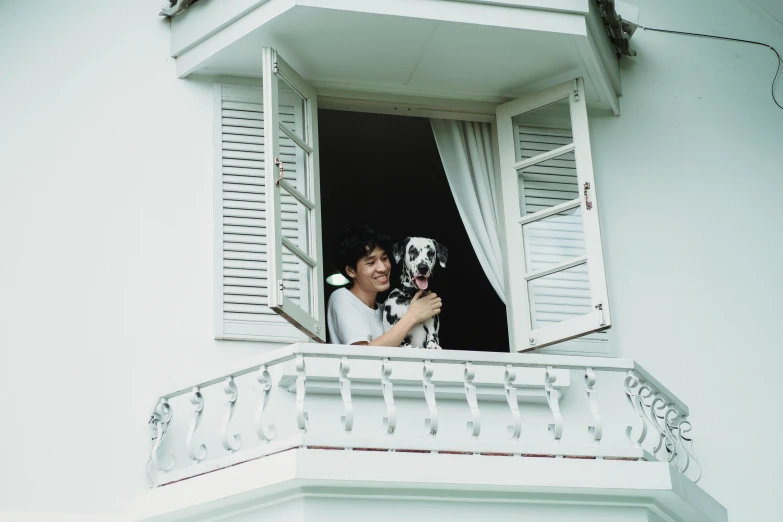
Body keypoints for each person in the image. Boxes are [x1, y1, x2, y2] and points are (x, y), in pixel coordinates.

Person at [327, 225, 442, 346]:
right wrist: (412, 316)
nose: (383, 268)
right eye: (371, 262)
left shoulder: (386, 310)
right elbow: (361, 354)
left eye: (384, 258)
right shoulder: (342, 298)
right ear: (351, 271)